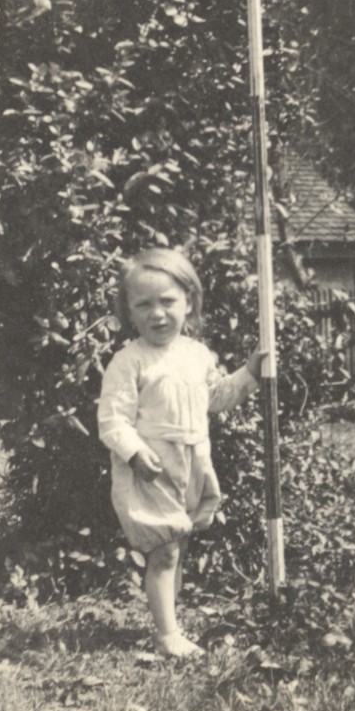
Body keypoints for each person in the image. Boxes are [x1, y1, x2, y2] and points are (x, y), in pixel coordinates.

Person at [98, 248, 264, 658]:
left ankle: (169, 622)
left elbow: (217, 398)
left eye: (167, 301)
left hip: (192, 463)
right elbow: (113, 419)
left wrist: (250, 373)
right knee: (165, 549)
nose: (157, 313)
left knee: (179, 544)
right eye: (144, 305)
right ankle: (166, 636)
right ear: (129, 312)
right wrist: (134, 452)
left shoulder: (196, 354)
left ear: (188, 301)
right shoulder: (129, 361)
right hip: (151, 468)